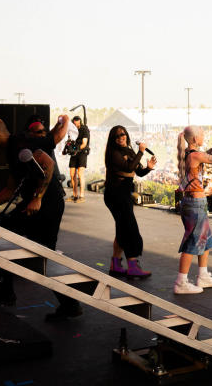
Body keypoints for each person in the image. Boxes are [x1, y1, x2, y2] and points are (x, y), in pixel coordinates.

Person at [0, 115, 81, 320]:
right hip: (36, 203)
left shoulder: (18, 144)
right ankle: (9, 292)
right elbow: (10, 189)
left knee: (43, 255)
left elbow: (48, 164)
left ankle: (67, 304)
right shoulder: (11, 149)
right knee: (4, 230)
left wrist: (38, 198)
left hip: (47, 203)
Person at [172, 125, 212, 294]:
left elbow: (209, 153)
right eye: (202, 135)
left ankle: (203, 275)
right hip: (195, 204)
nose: (204, 136)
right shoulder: (195, 155)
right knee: (192, 240)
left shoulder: (189, 153)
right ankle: (181, 282)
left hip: (193, 202)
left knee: (204, 238)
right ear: (194, 139)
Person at [103, 125, 157, 278]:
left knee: (122, 228)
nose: (121, 137)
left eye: (123, 134)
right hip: (115, 194)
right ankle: (133, 265)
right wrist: (140, 151)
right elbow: (128, 168)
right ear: (113, 139)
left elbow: (137, 171)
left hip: (124, 193)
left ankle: (116, 264)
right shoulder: (113, 153)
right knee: (129, 228)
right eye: (118, 136)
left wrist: (148, 168)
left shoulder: (128, 150)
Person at [67, 115, 90, 202]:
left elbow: (84, 143)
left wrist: (77, 149)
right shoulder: (71, 130)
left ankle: (82, 196)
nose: (76, 125)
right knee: (72, 174)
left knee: (80, 174)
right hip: (74, 153)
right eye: (75, 124)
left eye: (78, 123)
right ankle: (74, 195)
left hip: (82, 153)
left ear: (80, 122)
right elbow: (69, 141)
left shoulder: (84, 129)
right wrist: (68, 148)